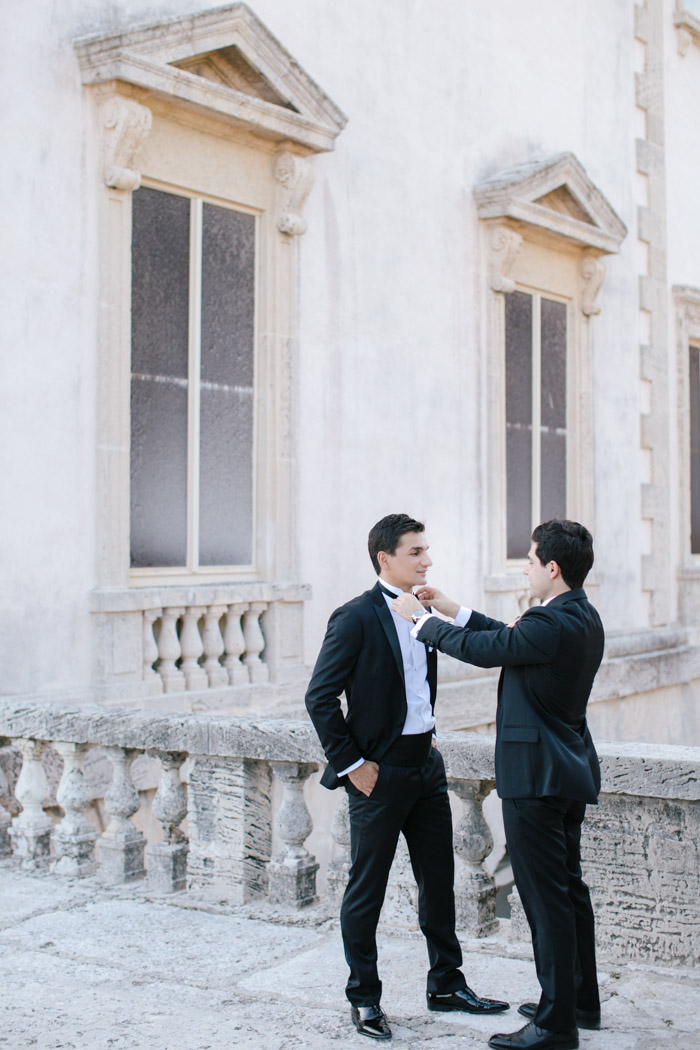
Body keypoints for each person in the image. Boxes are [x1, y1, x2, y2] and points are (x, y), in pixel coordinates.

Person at [393, 519, 604, 1050]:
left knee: (545, 900)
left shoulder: (550, 623)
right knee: (569, 891)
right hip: (566, 772)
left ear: (551, 568)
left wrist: (420, 621)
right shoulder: (578, 615)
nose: (526, 569)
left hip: (536, 778)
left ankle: (556, 1026)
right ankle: (578, 1001)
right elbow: (509, 640)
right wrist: (452, 609)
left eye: (530, 561)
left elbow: (489, 652)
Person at [305, 513, 509, 1040]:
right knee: (365, 891)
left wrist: (427, 730)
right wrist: (353, 765)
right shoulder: (353, 617)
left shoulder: (422, 609)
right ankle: (365, 999)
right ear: (385, 559)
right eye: (416, 552)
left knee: (438, 882)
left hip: (427, 767)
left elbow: (416, 687)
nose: (427, 560)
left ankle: (446, 983)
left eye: (426, 550)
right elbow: (319, 698)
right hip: (378, 776)